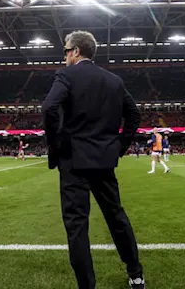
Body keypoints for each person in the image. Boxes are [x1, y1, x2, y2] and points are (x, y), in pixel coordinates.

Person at [42, 30, 145, 289]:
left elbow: (48, 108)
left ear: (76, 51)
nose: (64, 55)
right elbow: (134, 116)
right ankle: (136, 275)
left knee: (77, 227)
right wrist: (118, 147)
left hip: (73, 163)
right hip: (103, 161)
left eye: (66, 50)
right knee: (116, 217)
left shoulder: (65, 75)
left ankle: (87, 286)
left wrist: (57, 145)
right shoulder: (113, 80)